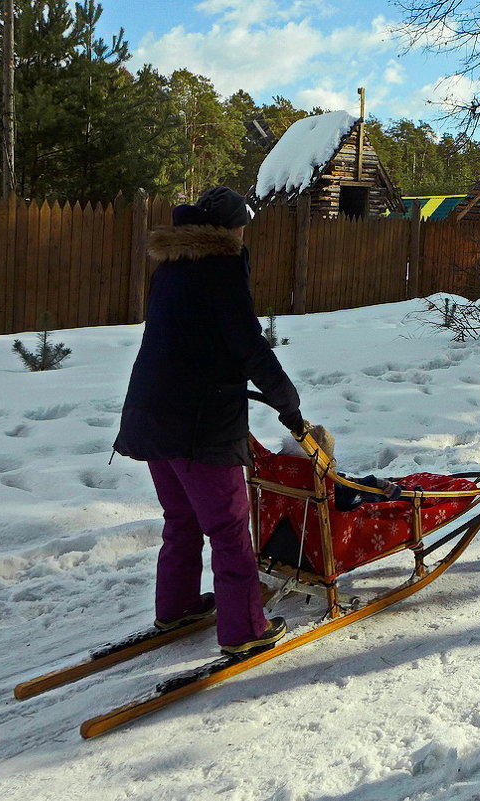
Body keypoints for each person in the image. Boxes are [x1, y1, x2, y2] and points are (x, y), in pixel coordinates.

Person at [114, 186, 303, 657]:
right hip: (199, 422)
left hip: (151, 412)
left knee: (181, 517)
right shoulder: (222, 265)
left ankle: (175, 605)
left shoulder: (170, 267)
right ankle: (244, 630)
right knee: (228, 526)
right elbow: (247, 343)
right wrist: (288, 401)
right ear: (232, 228)